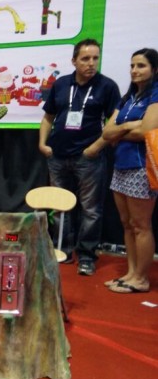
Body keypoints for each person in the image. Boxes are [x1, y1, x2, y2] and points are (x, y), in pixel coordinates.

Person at [38, 38, 121, 276]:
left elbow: (114, 122)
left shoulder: (107, 86)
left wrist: (96, 147)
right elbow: (48, 117)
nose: (91, 63)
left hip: (89, 158)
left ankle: (86, 256)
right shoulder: (61, 84)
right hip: (57, 155)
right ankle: (62, 249)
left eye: (95, 58)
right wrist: (42, 143)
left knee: (90, 209)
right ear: (74, 61)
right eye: (85, 58)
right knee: (59, 206)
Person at [103, 48, 158, 293]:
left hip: (142, 167)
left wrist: (122, 131)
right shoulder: (128, 97)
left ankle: (142, 278)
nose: (135, 70)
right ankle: (131, 273)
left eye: (141, 66)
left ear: (154, 69)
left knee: (141, 225)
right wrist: (128, 125)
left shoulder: (156, 94)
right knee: (126, 224)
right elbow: (107, 132)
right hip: (121, 164)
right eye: (132, 65)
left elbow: (146, 131)